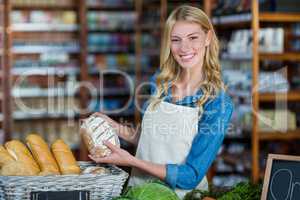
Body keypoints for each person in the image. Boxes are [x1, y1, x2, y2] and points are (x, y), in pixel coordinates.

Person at [89, 5, 234, 198]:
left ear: (207, 38)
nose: (184, 48)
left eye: (193, 38)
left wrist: (133, 162)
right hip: (139, 192)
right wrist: (115, 127)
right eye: (176, 40)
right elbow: (152, 140)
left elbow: (191, 175)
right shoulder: (161, 82)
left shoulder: (217, 102)